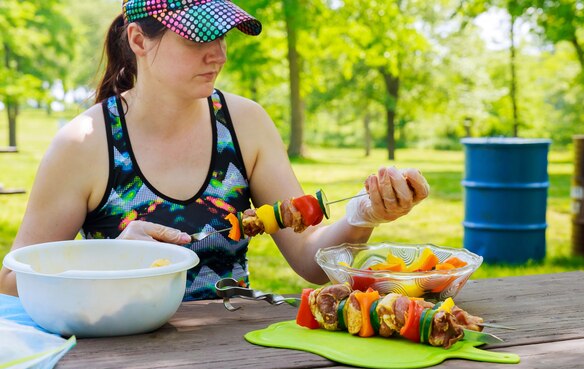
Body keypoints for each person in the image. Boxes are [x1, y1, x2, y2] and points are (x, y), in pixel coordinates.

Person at [0, 0, 429, 300]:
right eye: (197, 39)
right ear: (138, 39)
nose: (218, 55)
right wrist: (111, 259)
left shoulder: (246, 124)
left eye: (222, 36)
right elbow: (11, 281)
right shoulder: (84, 143)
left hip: (233, 352)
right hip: (119, 357)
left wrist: (363, 215)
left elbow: (310, 261)